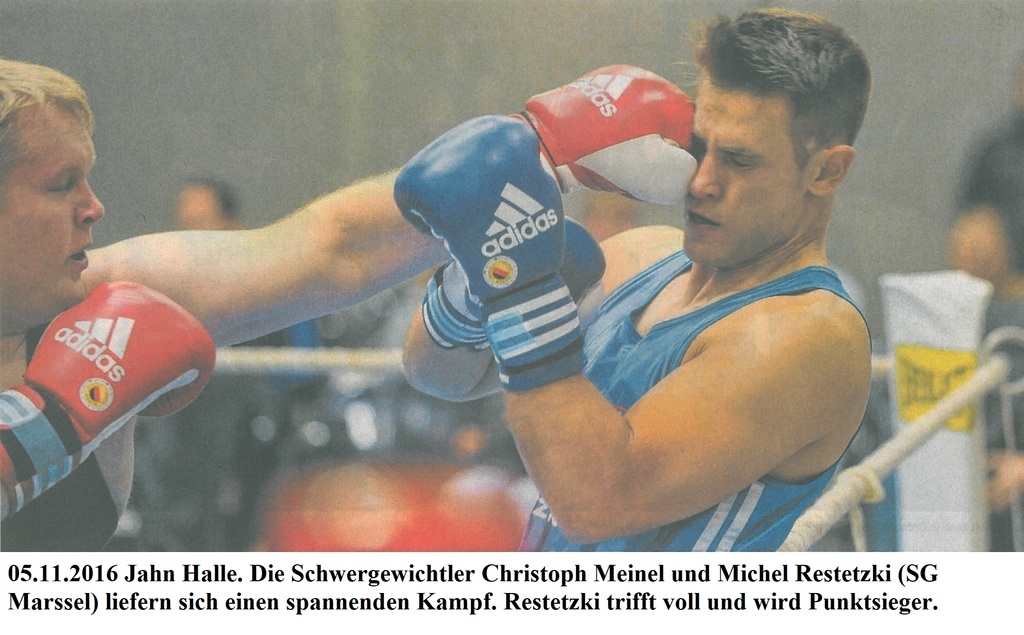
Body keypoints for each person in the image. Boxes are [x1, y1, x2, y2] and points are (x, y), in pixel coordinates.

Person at [0, 57, 688, 550]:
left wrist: (534, 149)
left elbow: (334, 249)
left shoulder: (102, 305)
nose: (94, 207)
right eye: (61, 185)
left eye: (88, 179)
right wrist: (48, 428)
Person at [400, 8, 872, 551]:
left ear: (826, 171)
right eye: (698, 146)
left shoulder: (809, 334)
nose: (700, 182)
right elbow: (439, 375)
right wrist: (476, 281)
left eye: (740, 160)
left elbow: (593, 504)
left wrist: (524, 298)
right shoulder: (638, 256)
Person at [947, 203, 1024, 550]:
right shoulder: (948, 318)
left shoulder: (1012, 313)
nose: (972, 258)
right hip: (968, 470)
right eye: (963, 249)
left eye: (982, 249)